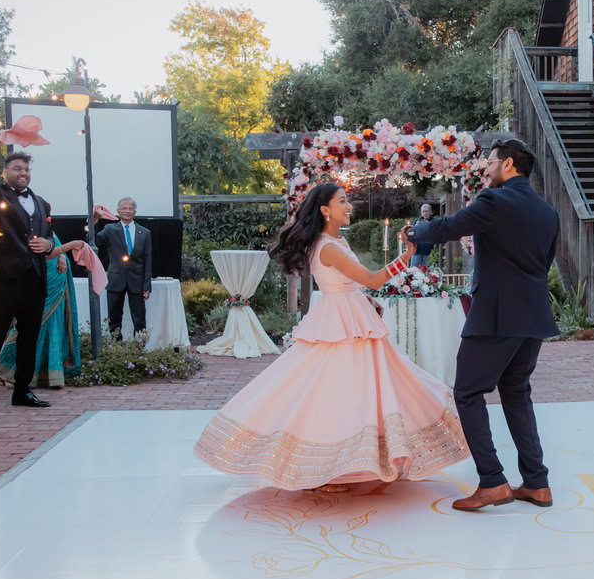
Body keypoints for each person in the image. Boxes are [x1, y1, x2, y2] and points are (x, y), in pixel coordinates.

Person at [195, 183, 469, 492]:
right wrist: (407, 254)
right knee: (335, 393)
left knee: (354, 391)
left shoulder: (334, 241)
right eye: (343, 201)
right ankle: (324, 469)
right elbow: (371, 278)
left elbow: (357, 284)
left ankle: (349, 462)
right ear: (325, 209)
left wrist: (367, 297)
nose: (349, 205)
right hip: (341, 320)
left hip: (350, 315)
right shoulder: (327, 246)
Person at [406, 139, 560, 511]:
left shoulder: (495, 201)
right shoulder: (547, 211)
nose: (485, 168)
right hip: (533, 314)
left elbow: (451, 226)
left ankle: (492, 481)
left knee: (468, 392)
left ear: (507, 164)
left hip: (497, 312)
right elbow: (544, 262)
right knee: (516, 390)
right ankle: (537, 483)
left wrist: (415, 233)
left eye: (489, 162)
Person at [0, 136, 56, 416]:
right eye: (17, 168)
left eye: (26, 169)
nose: (23, 173)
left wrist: (48, 245)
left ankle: (22, 391)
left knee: (30, 337)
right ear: (6, 172)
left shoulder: (42, 203)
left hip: (34, 279)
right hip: (5, 279)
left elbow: (48, 235)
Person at [0, 240, 86, 389]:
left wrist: (62, 255)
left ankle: (46, 376)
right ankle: (1, 370)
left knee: (52, 326)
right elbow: (42, 254)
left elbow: (52, 242)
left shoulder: (44, 221)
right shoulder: (29, 224)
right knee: (28, 327)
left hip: (56, 277)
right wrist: (70, 246)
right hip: (41, 279)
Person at [96, 197, 152, 337]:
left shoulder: (145, 233)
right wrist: (93, 223)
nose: (127, 211)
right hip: (116, 280)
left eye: (130, 208)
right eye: (124, 208)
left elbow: (148, 260)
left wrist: (147, 285)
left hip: (137, 281)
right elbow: (95, 241)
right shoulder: (109, 229)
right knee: (114, 318)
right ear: (118, 211)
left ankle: (139, 348)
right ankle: (117, 349)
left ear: (135, 212)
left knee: (139, 318)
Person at [410, 203, 436, 269]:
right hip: (417, 251)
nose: (425, 213)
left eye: (426, 211)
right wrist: (415, 227)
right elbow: (411, 234)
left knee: (426, 273)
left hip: (428, 252)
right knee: (413, 272)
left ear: (430, 211)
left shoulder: (434, 221)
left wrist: (428, 226)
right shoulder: (417, 221)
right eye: (423, 211)